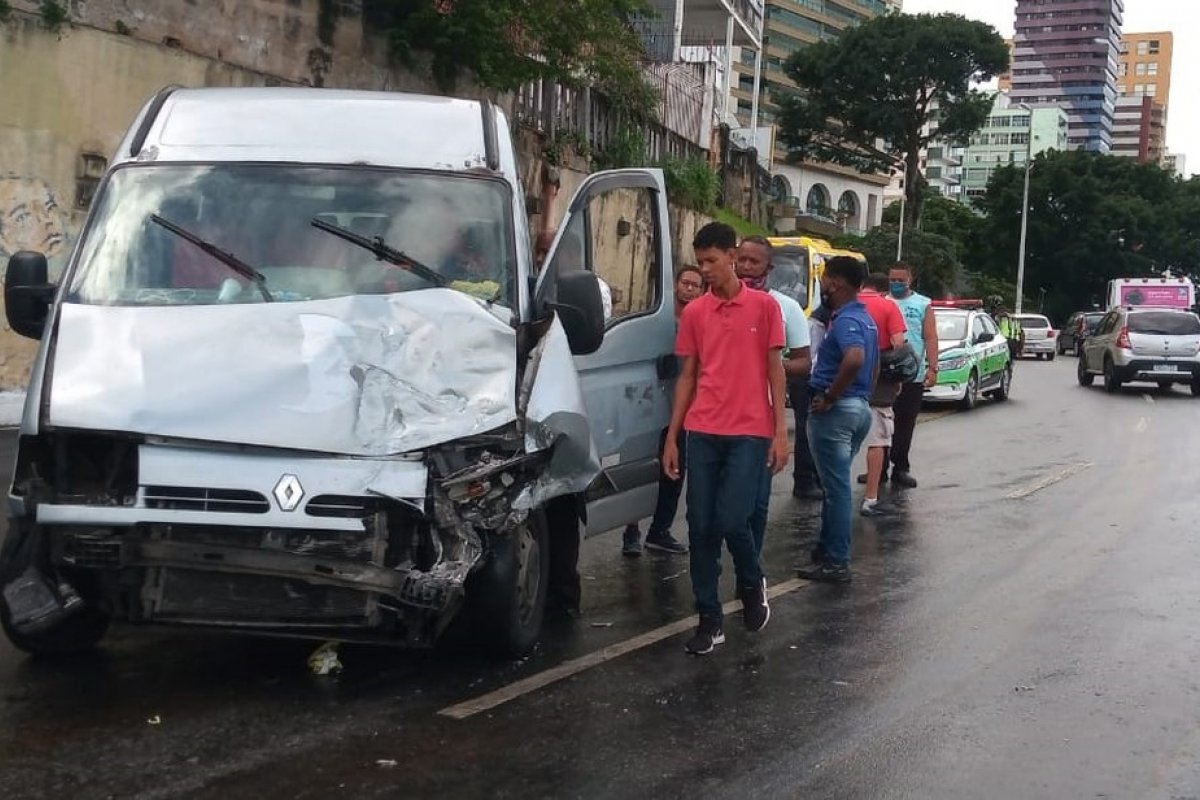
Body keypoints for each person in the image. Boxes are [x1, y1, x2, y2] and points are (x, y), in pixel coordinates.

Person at [663, 222, 788, 655]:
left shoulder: (764, 307)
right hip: (703, 430)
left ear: (732, 257)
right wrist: (673, 436)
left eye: (711, 261)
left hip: (750, 432)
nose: (705, 269)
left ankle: (752, 582)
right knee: (700, 526)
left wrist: (780, 433)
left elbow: (775, 370)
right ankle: (709, 618)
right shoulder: (696, 313)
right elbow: (688, 376)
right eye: (699, 262)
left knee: (733, 520)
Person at [796, 256, 878, 584]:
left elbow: (855, 358)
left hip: (837, 411)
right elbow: (873, 365)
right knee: (836, 483)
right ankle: (826, 548)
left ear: (835, 283)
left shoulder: (845, 320)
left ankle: (836, 560)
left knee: (836, 488)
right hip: (858, 408)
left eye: (824, 280)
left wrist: (831, 395)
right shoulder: (866, 319)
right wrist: (863, 396)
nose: (822, 286)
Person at [622, 265, 705, 557]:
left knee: (674, 472)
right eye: (685, 283)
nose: (689, 289)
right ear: (675, 285)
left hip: (678, 410)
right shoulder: (656, 321)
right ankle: (631, 531)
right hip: (646, 405)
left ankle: (660, 531)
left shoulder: (700, 324)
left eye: (695, 285)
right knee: (637, 467)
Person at [735, 236, 817, 507]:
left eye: (754, 261)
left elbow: (803, 363)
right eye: (742, 259)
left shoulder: (787, 308)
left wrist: (770, 366)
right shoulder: (712, 302)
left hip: (762, 414)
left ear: (769, 268)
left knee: (756, 498)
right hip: (717, 414)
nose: (746, 266)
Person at [857, 273, 907, 516]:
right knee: (877, 440)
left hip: (844, 380)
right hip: (879, 384)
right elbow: (899, 344)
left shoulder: (846, 305)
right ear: (885, 290)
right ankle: (871, 498)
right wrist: (899, 380)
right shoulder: (889, 307)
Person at [886, 263, 938, 488]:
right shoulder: (883, 301)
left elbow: (931, 337)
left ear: (910, 280)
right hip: (885, 374)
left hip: (911, 374)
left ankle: (900, 467)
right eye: (893, 280)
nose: (896, 284)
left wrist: (933, 368)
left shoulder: (923, 304)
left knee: (905, 424)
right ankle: (877, 468)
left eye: (901, 280)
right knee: (881, 424)